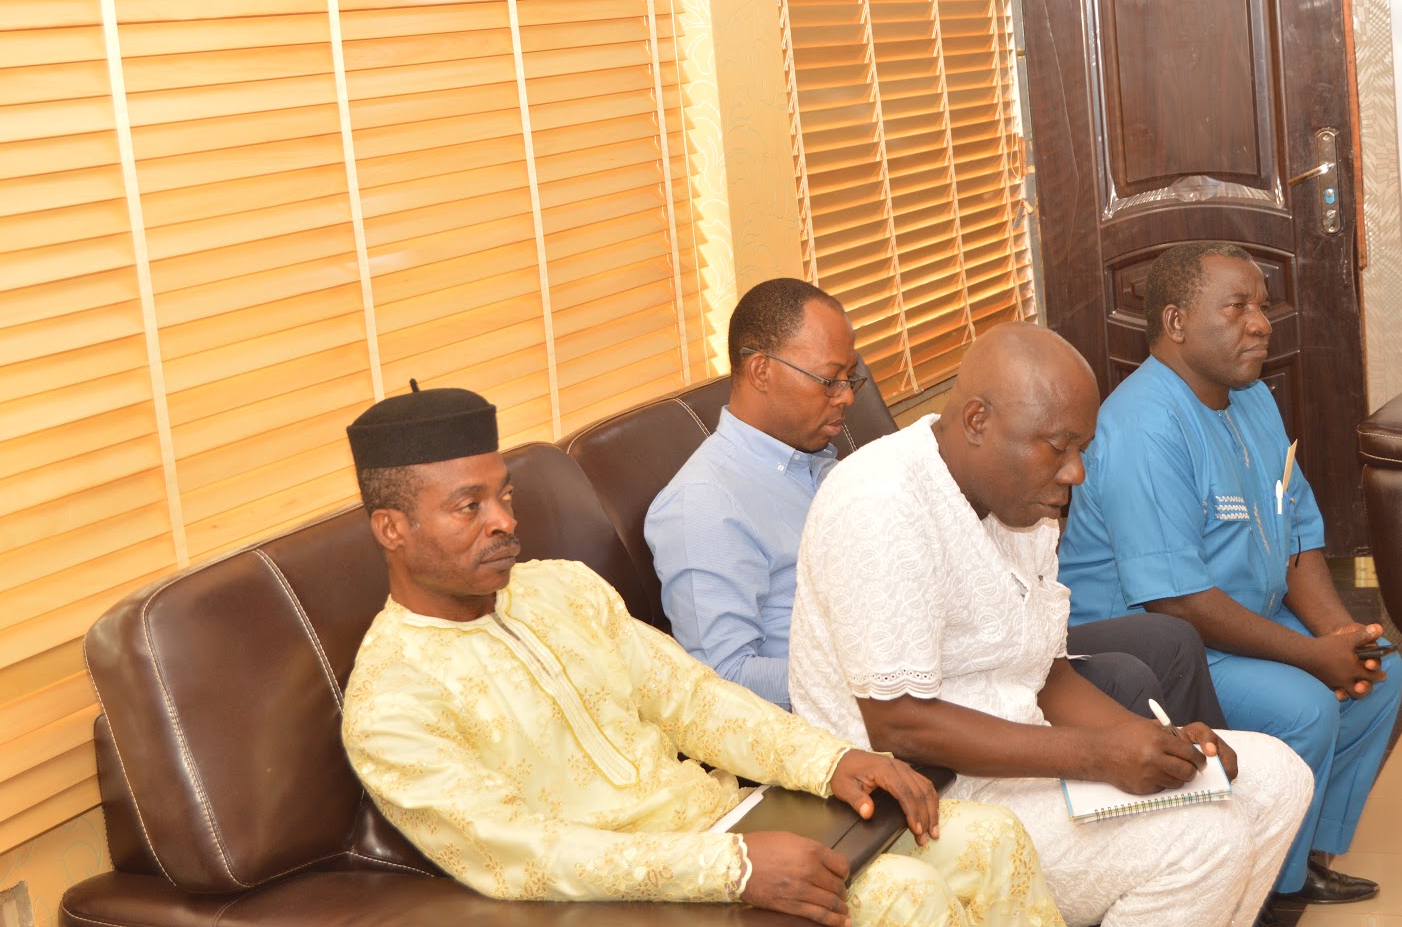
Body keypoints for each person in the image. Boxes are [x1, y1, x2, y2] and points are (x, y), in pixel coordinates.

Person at [339, 382, 1065, 927]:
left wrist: (831, 762)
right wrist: (732, 868)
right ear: (391, 529)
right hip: (641, 897)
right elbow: (526, 853)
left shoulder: (560, 589)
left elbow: (693, 700)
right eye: (469, 507)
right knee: (906, 896)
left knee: (994, 838)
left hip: (735, 818)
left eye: (504, 495)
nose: (503, 521)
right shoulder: (390, 704)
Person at [788, 324, 1314, 927]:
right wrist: (1097, 755)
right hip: (918, 802)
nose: (1076, 473)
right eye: (1059, 447)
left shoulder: (1021, 501)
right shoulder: (881, 505)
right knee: (1204, 841)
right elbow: (899, 725)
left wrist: (1158, 745)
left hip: (1021, 759)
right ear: (978, 421)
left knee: (1278, 778)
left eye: (1081, 448)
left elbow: (1046, 675)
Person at [646, 277, 1226, 731]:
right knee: (1123, 678)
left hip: (948, 638)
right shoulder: (703, 506)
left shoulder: (820, 460)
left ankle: (1211, 789)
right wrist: (896, 663)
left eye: (852, 379)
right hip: (859, 701)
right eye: (829, 381)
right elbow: (723, 678)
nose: (845, 399)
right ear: (760, 371)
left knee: (1168, 641)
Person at [1057, 241, 1402, 905]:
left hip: (1241, 619)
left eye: (1263, 307)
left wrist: (1343, 639)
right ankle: (1263, 885)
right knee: (1305, 707)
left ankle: (1301, 856)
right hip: (1160, 643)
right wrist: (1312, 657)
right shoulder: (1143, 426)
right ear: (1176, 322)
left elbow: (1295, 531)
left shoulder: (1252, 399)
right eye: (1238, 307)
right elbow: (1177, 602)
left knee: (1378, 676)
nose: (1262, 324)